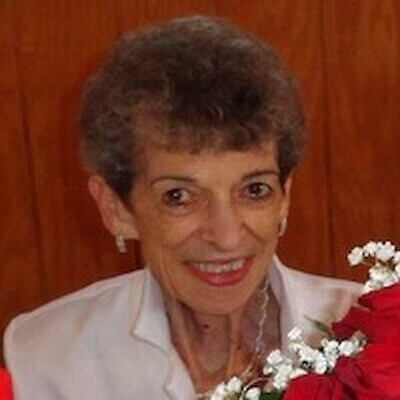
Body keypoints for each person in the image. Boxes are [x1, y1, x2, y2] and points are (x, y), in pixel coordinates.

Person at [3, 16, 361, 399]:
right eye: (179, 196)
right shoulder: (47, 357)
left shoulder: (371, 331)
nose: (225, 236)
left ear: (284, 197)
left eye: (254, 190)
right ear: (116, 208)